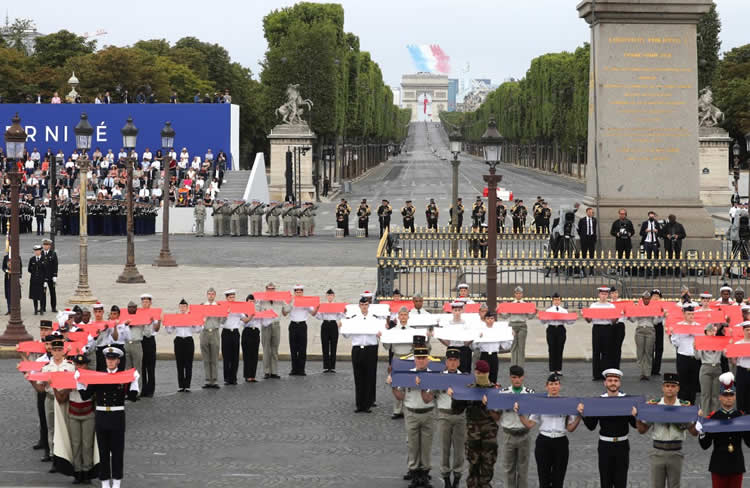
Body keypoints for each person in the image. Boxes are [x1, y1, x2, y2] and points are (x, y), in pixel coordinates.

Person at [76, 346, 139, 488]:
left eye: (113, 359)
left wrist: (134, 382)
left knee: (117, 452)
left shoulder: (123, 377)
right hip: (102, 416)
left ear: (118, 361)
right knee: (103, 452)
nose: (109, 362)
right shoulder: (98, 376)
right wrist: (78, 382)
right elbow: (85, 396)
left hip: (117, 416)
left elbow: (133, 397)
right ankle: (105, 482)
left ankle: (116, 483)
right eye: (107, 359)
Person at [516, 373, 582, 488]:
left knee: (558, 480)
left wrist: (579, 417)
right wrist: (520, 415)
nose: (554, 387)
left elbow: (570, 428)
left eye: (556, 384)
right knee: (544, 479)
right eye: (551, 384)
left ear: (560, 386)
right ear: (547, 386)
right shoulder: (540, 403)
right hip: (544, 442)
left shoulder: (567, 403)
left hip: (560, 441)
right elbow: (530, 424)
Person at [635, 373, 698, 488]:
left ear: (678, 388)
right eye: (667, 385)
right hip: (657, 452)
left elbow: (694, 432)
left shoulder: (684, 407)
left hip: (676, 452)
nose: (670, 389)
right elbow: (642, 430)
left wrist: (698, 421)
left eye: (673, 386)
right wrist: (638, 418)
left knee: (675, 485)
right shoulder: (654, 405)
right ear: (663, 387)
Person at [387, 343, 435, 487]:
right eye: (418, 357)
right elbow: (400, 396)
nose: (421, 360)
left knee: (426, 446)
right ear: (414, 359)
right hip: (411, 412)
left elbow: (430, 397)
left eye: (423, 358)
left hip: (427, 413)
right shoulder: (406, 375)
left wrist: (422, 386)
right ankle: (414, 473)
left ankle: (425, 473)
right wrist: (393, 386)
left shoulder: (433, 375)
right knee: (413, 445)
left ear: (427, 359)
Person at [580, 368, 637, 488]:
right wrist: (583, 413)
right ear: (605, 383)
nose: (613, 383)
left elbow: (635, 425)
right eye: (610, 380)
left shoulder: (627, 400)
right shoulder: (598, 401)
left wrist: (636, 414)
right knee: (605, 482)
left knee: (621, 482)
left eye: (615, 380)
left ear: (619, 383)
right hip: (605, 446)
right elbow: (591, 426)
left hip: (622, 445)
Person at [448, 360, 500, 488]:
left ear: (488, 373)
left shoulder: (495, 390)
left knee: (487, 468)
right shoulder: (468, 390)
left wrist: (489, 404)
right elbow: (456, 410)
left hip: (489, 437)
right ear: (474, 372)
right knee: (473, 468)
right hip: (473, 436)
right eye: (478, 372)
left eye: (483, 373)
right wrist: (455, 397)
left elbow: (497, 416)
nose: (480, 375)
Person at [30, 338, 75, 473]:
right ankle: (54, 457)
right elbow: (40, 389)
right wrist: (30, 380)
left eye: (59, 350)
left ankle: (67, 457)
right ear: (51, 351)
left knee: (67, 427)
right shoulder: (46, 368)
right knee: (52, 428)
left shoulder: (70, 366)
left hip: (66, 398)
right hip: (51, 398)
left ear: (63, 351)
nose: (56, 353)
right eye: (54, 350)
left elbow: (74, 384)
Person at [698, 372, 750, 488]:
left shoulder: (740, 416)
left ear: (735, 397)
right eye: (725, 395)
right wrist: (702, 427)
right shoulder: (713, 417)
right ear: (720, 397)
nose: (728, 398)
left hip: (736, 464)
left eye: (731, 395)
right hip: (718, 465)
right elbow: (705, 444)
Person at [432, 348, 466, 488]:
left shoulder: (464, 378)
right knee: (444, 449)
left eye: (455, 361)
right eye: (450, 360)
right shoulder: (439, 377)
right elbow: (430, 395)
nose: (452, 363)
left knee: (459, 450)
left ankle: (457, 477)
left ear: (458, 362)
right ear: (446, 362)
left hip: (459, 416)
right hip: (444, 415)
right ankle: (445, 477)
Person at [342, 297, 380, 413]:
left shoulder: (375, 319)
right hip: (358, 349)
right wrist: (342, 326)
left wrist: (381, 332)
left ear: (369, 305)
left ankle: (368, 404)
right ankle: (359, 404)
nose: (364, 306)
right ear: (359, 306)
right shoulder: (353, 319)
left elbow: (381, 332)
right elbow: (346, 335)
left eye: (366, 304)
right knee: (358, 377)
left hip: (371, 349)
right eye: (362, 304)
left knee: (369, 376)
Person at [498, 365, 534, 488]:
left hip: (524, 434)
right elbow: (496, 413)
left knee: (523, 470)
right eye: (514, 377)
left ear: (523, 377)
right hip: (509, 435)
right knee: (508, 469)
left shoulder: (530, 394)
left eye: (519, 377)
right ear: (510, 378)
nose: (517, 380)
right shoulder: (503, 393)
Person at [67, 353, 97, 484]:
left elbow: (90, 395)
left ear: (86, 365)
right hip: (73, 413)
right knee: (75, 443)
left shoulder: (91, 377)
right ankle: (77, 471)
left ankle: (87, 471)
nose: (79, 366)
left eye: (82, 364)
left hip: (88, 413)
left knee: (87, 444)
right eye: (77, 364)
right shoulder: (70, 377)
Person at [282, 284, 318, 376]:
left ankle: (301, 369)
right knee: (293, 348)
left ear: (302, 292)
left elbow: (313, 313)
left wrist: (317, 307)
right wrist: (288, 303)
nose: (298, 293)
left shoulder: (306, 301)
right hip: (293, 325)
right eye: (297, 292)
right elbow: (284, 313)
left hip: (302, 325)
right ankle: (294, 369)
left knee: (302, 348)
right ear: (294, 292)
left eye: (300, 291)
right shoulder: (290, 301)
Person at [166, 298, 201, 392]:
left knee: (189, 364)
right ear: (179, 307)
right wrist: (166, 324)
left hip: (189, 340)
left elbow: (197, 330)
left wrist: (200, 322)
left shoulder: (191, 316)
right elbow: (170, 331)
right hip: (178, 340)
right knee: (179, 363)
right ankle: (181, 385)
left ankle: (188, 385)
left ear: (187, 307)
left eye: (184, 306)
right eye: (181, 306)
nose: (183, 308)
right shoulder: (175, 317)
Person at [670, 304, 701, 405]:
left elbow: (703, 341)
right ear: (684, 314)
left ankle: (691, 404)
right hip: (683, 356)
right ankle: (682, 404)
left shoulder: (698, 326)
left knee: (693, 382)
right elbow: (674, 342)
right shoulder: (679, 325)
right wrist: (685, 333)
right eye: (689, 314)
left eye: (692, 314)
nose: (691, 316)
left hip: (695, 357)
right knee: (683, 382)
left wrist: (694, 334)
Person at [586, 286, 617, 380]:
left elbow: (613, 321)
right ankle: (596, 374)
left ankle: (605, 373)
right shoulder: (594, 305)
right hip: (597, 328)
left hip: (607, 328)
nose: (604, 296)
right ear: (599, 294)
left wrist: (616, 317)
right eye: (602, 294)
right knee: (596, 351)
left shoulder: (611, 306)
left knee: (606, 352)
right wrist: (585, 316)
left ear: (608, 295)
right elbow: (589, 320)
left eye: (605, 294)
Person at [500, 286, 535, 368]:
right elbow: (506, 316)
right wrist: (500, 313)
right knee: (513, 347)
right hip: (513, 325)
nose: (518, 295)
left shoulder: (525, 304)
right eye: (517, 293)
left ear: (522, 294)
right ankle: (513, 366)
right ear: (514, 294)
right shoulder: (511, 304)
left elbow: (529, 317)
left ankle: (520, 366)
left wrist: (534, 312)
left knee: (521, 347)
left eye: (520, 293)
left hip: (522, 325)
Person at [474, 311, 512, 384]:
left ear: (494, 320)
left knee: (493, 376)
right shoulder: (480, 330)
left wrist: (510, 336)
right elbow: (475, 346)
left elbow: (506, 346)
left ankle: (492, 393)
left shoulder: (498, 331)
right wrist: (479, 337)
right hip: (484, 355)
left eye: (492, 318)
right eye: (488, 318)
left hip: (494, 356)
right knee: (482, 377)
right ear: (485, 320)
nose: (490, 320)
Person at [221, 289, 250, 385]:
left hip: (235, 333)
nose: (232, 299)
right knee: (226, 356)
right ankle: (227, 378)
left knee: (235, 356)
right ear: (226, 298)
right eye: (230, 297)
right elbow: (221, 322)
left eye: (233, 297)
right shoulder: (223, 307)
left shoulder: (238, 308)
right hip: (226, 332)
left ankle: (233, 378)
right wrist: (227, 312)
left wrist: (251, 316)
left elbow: (245, 320)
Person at [256, 282, 282, 380]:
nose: (271, 290)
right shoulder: (261, 300)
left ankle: (274, 372)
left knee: (275, 349)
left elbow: (286, 310)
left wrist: (288, 301)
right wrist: (259, 301)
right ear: (266, 290)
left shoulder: (279, 299)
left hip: (276, 325)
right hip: (266, 326)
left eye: (272, 289)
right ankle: (267, 371)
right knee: (266, 349)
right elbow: (256, 311)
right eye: (269, 289)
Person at [542, 293, 570, 375]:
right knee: (551, 349)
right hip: (551, 329)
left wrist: (572, 318)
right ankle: (552, 369)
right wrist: (542, 317)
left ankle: (558, 369)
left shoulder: (564, 311)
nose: (556, 301)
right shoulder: (548, 310)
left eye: (558, 300)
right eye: (555, 300)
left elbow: (569, 322)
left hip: (560, 329)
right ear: (552, 300)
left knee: (560, 349)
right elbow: (543, 321)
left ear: (560, 300)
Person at [632, 290, 657, 381]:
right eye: (645, 299)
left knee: (648, 352)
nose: (646, 300)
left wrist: (659, 315)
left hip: (650, 329)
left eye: (648, 299)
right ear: (642, 299)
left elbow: (655, 321)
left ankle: (647, 373)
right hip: (640, 329)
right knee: (640, 351)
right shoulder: (638, 307)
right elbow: (633, 319)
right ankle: (642, 371)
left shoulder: (653, 307)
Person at [139, 294, 160, 398]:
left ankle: (151, 390)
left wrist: (156, 320)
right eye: (143, 302)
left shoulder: (154, 313)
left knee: (150, 366)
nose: (145, 303)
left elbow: (156, 329)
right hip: (141, 339)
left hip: (150, 339)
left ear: (150, 303)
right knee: (142, 366)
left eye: (147, 302)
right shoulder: (138, 313)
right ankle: (143, 389)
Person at [317, 289, 343, 373]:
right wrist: (318, 308)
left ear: (333, 296)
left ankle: (332, 367)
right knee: (325, 345)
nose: (330, 297)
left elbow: (340, 315)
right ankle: (326, 366)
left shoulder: (336, 305)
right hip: (325, 324)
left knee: (333, 345)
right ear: (326, 296)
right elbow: (319, 316)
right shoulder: (323, 305)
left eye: (331, 295)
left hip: (333, 324)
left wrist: (343, 310)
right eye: (328, 295)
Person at [200, 288, 222, 389]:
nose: (211, 296)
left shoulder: (218, 306)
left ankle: (215, 380)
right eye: (209, 294)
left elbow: (222, 320)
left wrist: (226, 312)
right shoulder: (201, 306)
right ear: (206, 295)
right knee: (206, 358)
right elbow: (198, 320)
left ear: (215, 295)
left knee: (214, 357)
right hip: (204, 332)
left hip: (214, 332)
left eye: (213, 294)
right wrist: (205, 315)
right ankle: (208, 380)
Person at [240, 294, 261, 383]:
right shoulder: (243, 311)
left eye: (253, 301)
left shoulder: (257, 310)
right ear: (246, 302)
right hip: (247, 332)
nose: (252, 303)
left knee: (254, 355)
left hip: (255, 332)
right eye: (250, 301)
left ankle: (252, 376)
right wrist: (252, 315)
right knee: (247, 355)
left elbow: (261, 321)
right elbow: (244, 322)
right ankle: (247, 376)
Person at [732, 320, 750, 412]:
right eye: (747, 329)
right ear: (743, 331)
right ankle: (740, 415)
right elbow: (734, 360)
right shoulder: (738, 344)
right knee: (741, 394)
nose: (749, 331)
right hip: (742, 370)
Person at [28, 244, 47, 315]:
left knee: (41, 296)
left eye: (38, 251)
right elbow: (29, 269)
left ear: (40, 251)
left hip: (41, 281)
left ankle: (41, 309)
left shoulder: (44, 259)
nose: (37, 252)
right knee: (34, 296)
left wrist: (45, 280)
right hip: (34, 280)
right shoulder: (32, 259)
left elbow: (46, 271)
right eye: (35, 251)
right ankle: (35, 309)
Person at [651, 288, 665, 377]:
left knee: (659, 348)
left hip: (659, 327)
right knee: (650, 348)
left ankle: (657, 369)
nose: (655, 298)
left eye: (657, 296)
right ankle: (650, 368)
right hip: (650, 327)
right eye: (654, 296)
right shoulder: (648, 306)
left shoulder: (663, 306)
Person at [41, 239, 58, 312]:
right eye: (44, 245)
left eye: (47, 245)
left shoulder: (53, 254)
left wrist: (55, 275)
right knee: (42, 293)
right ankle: (43, 307)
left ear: (50, 246)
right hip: (43, 276)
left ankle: (53, 307)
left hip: (51, 276)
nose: (45, 246)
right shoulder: (40, 253)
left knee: (52, 292)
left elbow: (55, 265)